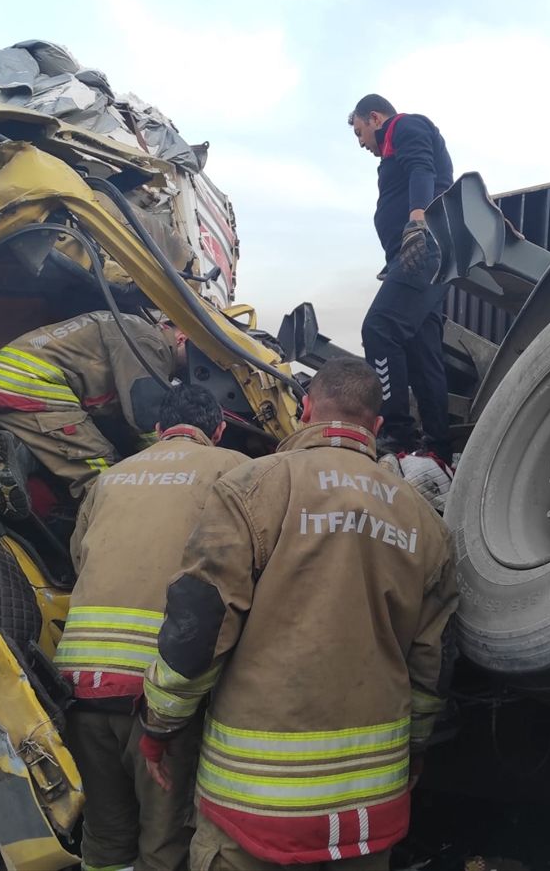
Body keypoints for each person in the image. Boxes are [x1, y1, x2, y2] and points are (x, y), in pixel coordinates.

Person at [140, 357, 458, 870]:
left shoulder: (251, 487)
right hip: (366, 811)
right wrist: (415, 748)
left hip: (253, 806)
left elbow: (199, 627)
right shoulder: (426, 522)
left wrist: (160, 726)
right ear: (376, 424)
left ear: (306, 409)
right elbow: (433, 663)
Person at [54, 384, 246, 871]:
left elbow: (79, 559)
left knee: (104, 838)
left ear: (158, 430)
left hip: (76, 687)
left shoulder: (109, 478)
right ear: (219, 430)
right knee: (163, 844)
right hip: (156, 693)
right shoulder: (233, 470)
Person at [0, 309, 188, 517]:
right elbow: (145, 417)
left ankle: (22, 453)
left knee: (69, 446)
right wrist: (177, 464)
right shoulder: (151, 341)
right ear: (182, 339)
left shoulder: (131, 325)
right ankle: (120, 527)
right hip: (29, 386)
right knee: (103, 473)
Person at [348, 94, 455, 463]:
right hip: (414, 253)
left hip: (422, 249)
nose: (362, 143)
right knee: (424, 354)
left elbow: (423, 168)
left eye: (360, 132)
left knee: (379, 329)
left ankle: (396, 433)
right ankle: (438, 449)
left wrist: (416, 220)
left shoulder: (404, 126)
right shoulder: (391, 153)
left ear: (375, 118)